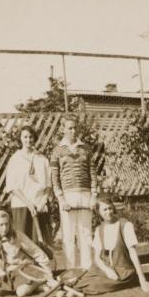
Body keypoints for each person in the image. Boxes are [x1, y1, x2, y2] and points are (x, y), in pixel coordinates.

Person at [75, 194, 149, 294]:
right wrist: (107, 270)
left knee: (97, 284)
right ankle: (72, 288)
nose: (108, 212)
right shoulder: (99, 230)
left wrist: (142, 281)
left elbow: (133, 253)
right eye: (104, 210)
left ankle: (74, 290)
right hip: (106, 269)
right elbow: (97, 258)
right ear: (98, 212)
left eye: (110, 208)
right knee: (85, 278)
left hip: (124, 271)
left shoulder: (125, 225)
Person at [0, 210, 56, 297]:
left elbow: (37, 252)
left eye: (7, 224)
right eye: (1, 225)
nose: (4, 228)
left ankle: (38, 283)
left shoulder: (17, 236)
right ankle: (26, 289)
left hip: (21, 272)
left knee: (21, 292)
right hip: (3, 275)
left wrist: (49, 274)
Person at [50, 115, 97, 269]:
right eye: (69, 128)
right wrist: (61, 199)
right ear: (63, 129)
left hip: (85, 195)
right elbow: (55, 177)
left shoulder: (86, 149)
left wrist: (94, 196)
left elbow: (93, 173)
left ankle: (87, 269)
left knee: (85, 234)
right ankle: (71, 270)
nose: (73, 130)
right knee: (68, 236)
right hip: (67, 196)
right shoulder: (57, 151)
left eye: (75, 127)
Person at [5, 125, 52, 245]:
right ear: (20, 139)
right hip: (21, 205)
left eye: (31, 137)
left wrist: (43, 202)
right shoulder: (15, 159)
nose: (28, 140)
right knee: (23, 242)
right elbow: (12, 186)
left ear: (34, 138)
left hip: (40, 206)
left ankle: (43, 264)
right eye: (25, 137)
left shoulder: (42, 159)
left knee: (41, 243)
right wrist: (29, 204)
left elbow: (48, 184)